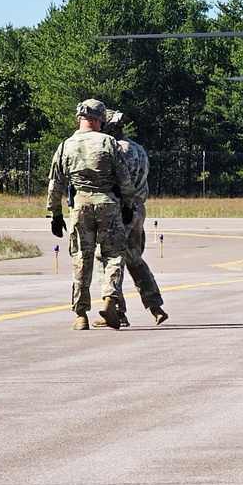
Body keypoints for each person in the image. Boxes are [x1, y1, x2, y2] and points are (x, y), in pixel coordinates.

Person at [46, 99, 135, 330]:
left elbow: (55, 182)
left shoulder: (66, 145)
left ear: (80, 118)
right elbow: (124, 178)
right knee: (114, 255)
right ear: (98, 120)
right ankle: (109, 298)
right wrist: (128, 205)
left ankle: (81, 315)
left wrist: (55, 214)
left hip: (80, 205)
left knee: (81, 258)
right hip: (107, 203)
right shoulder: (108, 142)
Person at [91, 109, 169, 327]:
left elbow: (116, 181)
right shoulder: (138, 148)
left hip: (121, 210)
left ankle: (116, 310)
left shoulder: (117, 150)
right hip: (139, 210)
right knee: (134, 259)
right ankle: (155, 306)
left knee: (107, 257)